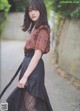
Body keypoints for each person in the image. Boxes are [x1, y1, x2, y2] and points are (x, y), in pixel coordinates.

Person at [6, 0, 53, 111]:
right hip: (28, 67)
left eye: (36, 9)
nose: (33, 13)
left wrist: (25, 77)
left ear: (41, 10)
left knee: (30, 106)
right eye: (30, 10)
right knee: (24, 105)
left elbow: (37, 54)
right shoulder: (35, 28)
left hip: (34, 70)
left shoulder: (43, 29)